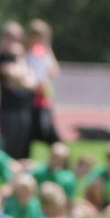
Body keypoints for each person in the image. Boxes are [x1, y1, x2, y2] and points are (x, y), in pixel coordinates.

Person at [0, 22, 37, 159]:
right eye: (11, 37)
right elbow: (15, 77)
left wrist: (21, 66)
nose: (14, 41)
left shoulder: (23, 57)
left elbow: (32, 82)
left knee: (23, 149)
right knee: (8, 149)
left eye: (17, 37)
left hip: (24, 108)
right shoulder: (1, 57)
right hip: (8, 110)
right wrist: (21, 65)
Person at [25, 19, 62, 147]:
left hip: (44, 96)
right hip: (29, 96)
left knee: (48, 129)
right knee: (28, 133)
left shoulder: (44, 52)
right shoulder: (25, 52)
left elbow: (54, 71)